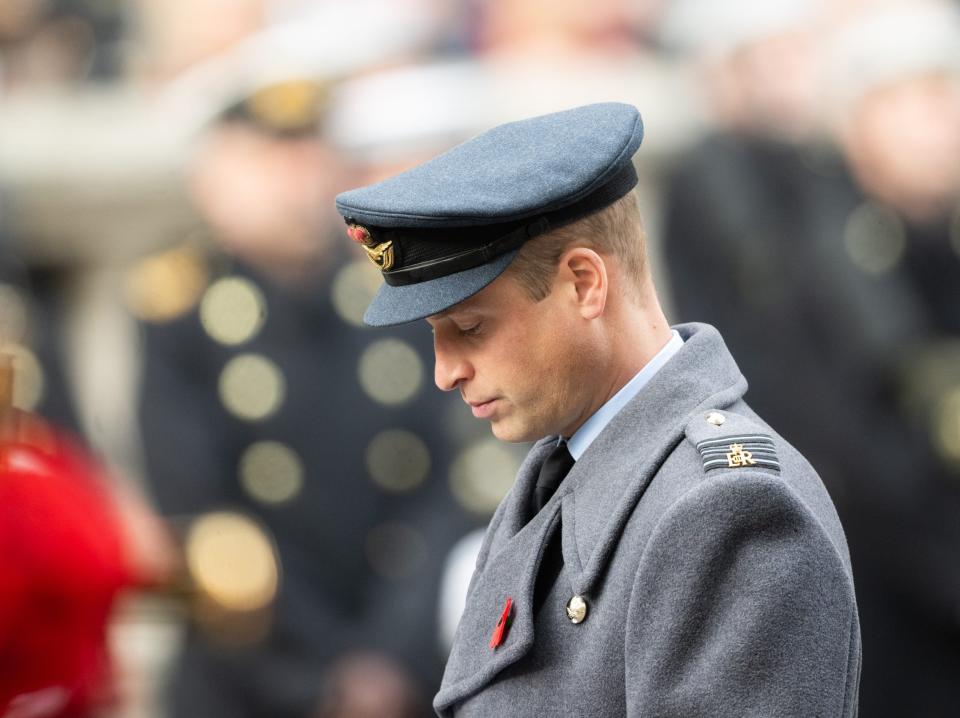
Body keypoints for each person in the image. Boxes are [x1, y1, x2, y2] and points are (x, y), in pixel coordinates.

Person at [334, 102, 861, 716]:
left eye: (471, 328)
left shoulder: (727, 510)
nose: (445, 372)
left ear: (585, 283)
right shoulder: (564, 471)